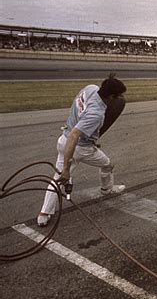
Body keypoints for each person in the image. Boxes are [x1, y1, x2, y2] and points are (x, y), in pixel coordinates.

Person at [37, 74, 127, 227]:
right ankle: (107, 189)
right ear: (111, 96)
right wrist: (66, 168)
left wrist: (90, 138)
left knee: (57, 179)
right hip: (78, 147)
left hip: (63, 139)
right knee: (107, 165)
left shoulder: (90, 88)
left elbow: (77, 119)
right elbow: (74, 136)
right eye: (118, 96)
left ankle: (44, 213)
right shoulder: (97, 114)